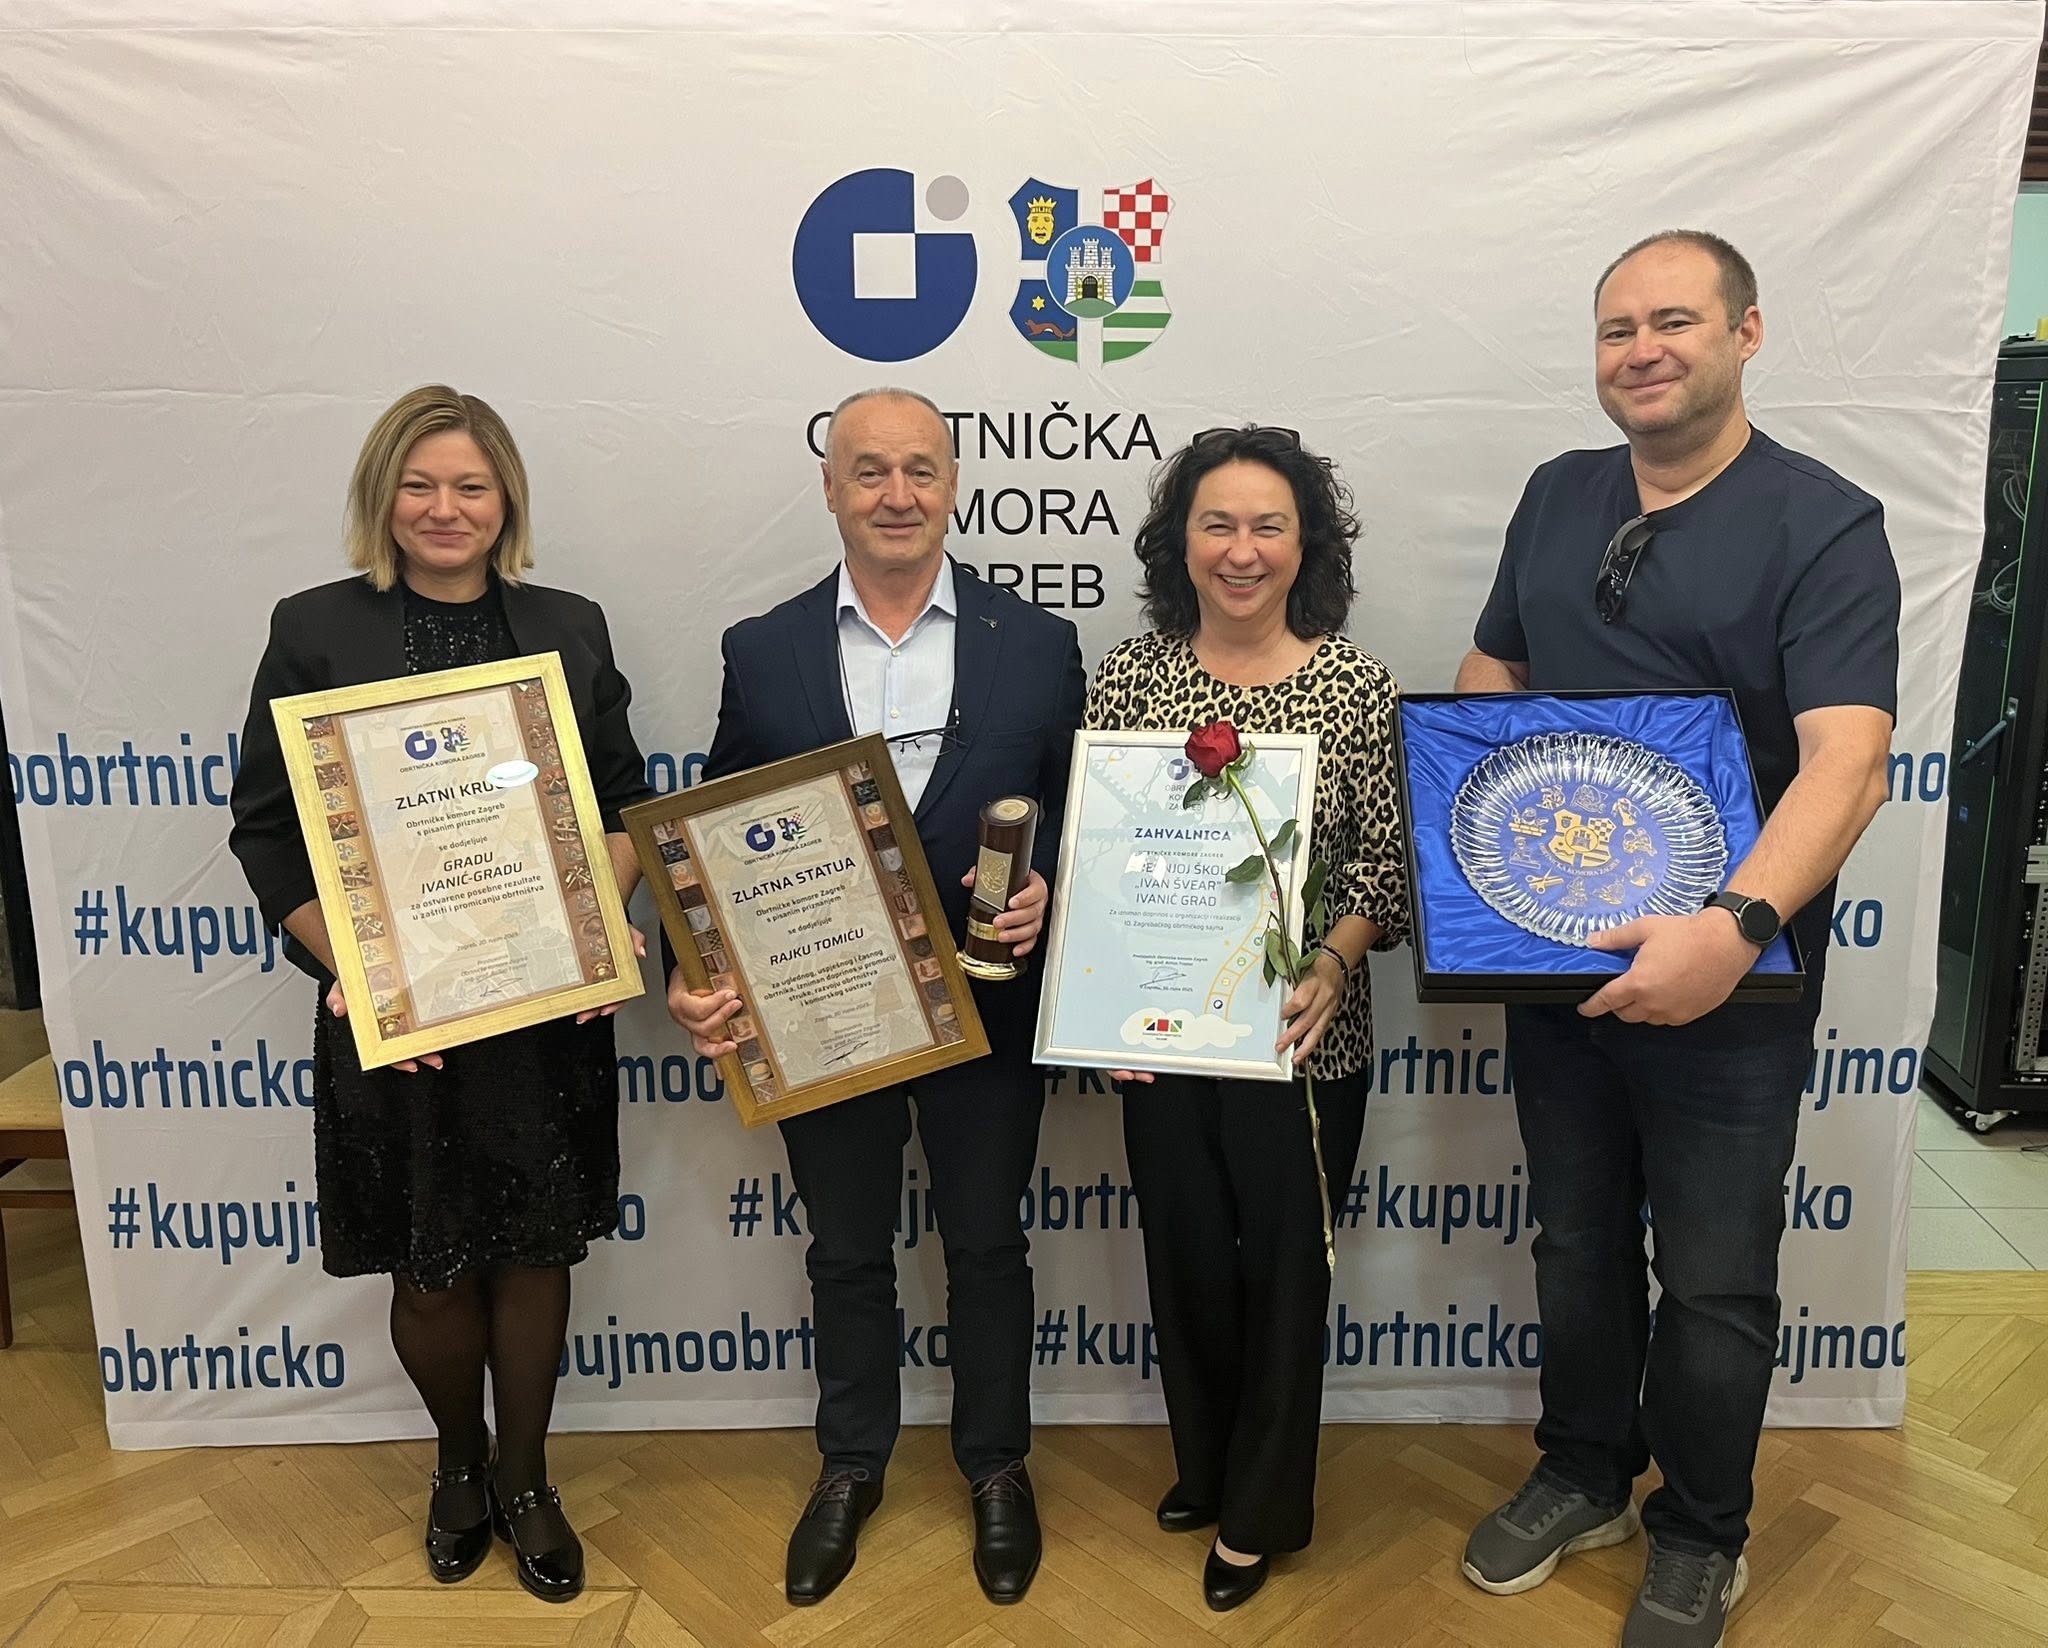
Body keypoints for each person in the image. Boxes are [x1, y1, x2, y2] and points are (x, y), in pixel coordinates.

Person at [1455, 232, 1898, 1648]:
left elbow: (1849, 762)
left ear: (1745, 333)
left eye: (1672, 322)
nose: (1640, 351)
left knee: (1710, 1278)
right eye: (1615, 330)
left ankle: (1702, 1532)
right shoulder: (1556, 494)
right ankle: (1585, 1470)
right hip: (1560, 961)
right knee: (1575, 1241)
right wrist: (1483, 835)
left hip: (1732, 987)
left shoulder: (1822, 523)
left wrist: (1733, 927)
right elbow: (1496, 664)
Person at [228, 385, 653, 1604]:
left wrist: (593, 931)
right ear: (383, 497)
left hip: (538, 1011)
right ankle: (457, 1465)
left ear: (505, 498)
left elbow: (623, 805)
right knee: (429, 1262)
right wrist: (358, 976)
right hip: (397, 1014)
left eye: (470, 485)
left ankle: (526, 1479)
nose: (444, 508)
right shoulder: (314, 629)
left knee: (530, 1252)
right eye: (419, 485)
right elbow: (267, 830)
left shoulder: (568, 626)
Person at [665, 386, 1086, 1607]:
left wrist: (1049, 886)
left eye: (918, 470)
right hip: (821, 1014)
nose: (895, 495)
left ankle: (996, 1465)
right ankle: (850, 1463)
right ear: (830, 487)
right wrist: (698, 974)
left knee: (986, 1244)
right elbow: (711, 844)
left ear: (952, 484)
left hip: (987, 1008)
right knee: (846, 1250)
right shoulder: (764, 648)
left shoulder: (1037, 642)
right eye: (868, 471)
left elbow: (1075, 812)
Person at [1089, 424, 1409, 1611]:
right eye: (1215, 523)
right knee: (1182, 1258)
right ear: (1178, 542)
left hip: (1299, 1039)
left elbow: (1384, 866)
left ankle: (1259, 1513)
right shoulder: (1130, 675)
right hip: (1164, 1036)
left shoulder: (1354, 685)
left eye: (1267, 525)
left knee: (1282, 1278)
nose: (1240, 549)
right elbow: (1104, 856)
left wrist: (1330, 959)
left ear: (1304, 543)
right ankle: (1209, 1465)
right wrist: (1106, 1008)